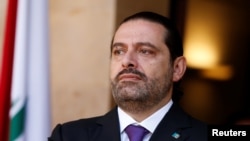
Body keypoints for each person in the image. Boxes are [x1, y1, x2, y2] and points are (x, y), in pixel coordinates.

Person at [48, 11, 207, 141]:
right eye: (119, 51)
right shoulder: (68, 136)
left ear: (177, 68)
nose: (127, 61)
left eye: (145, 51)